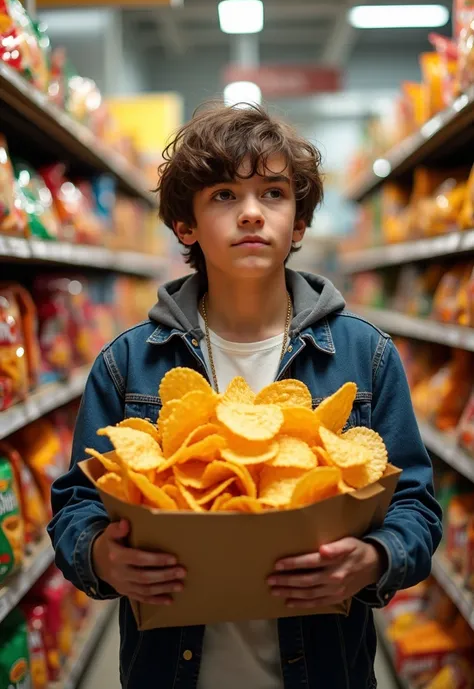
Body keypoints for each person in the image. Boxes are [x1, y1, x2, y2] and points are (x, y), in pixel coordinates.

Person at [48, 103, 442, 689]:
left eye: (274, 194)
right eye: (225, 196)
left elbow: (416, 505)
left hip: (325, 668)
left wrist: (375, 559)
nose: (252, 213)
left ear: (300, 223)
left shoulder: (368, 357)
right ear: (187, 226)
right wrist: (102, 556)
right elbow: (76, 506)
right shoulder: (126, 364)